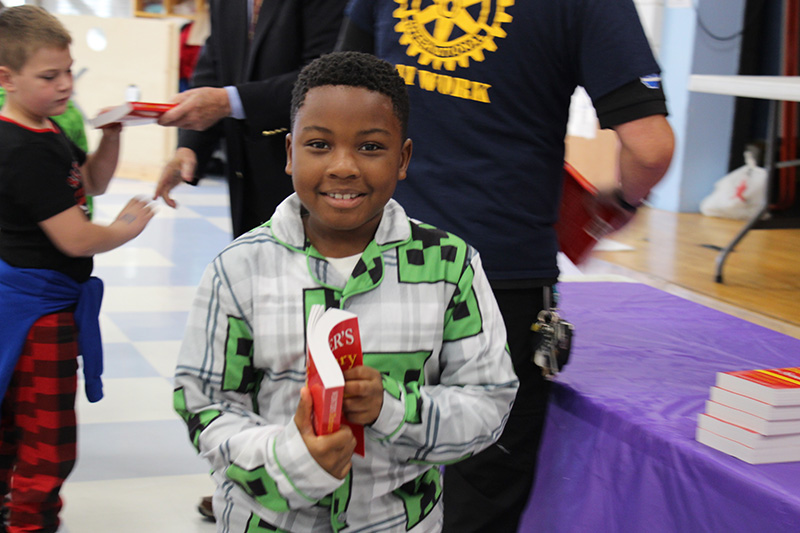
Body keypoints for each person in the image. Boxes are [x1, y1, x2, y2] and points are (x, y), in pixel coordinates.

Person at [336, 1, 676, 531]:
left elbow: (335, 97)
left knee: (367, 472)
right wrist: (619, 203)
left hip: (376, 260)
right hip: (497, 279)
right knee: (478, 495)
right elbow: (650, 148)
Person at [172, 51, 518, 532]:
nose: (343, 167)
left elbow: (489, 401)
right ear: (290, 152)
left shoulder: (450, 267)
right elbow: (206, 406)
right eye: (318, 145)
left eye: (371, 147)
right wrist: (293, 458)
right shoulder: (240, 268)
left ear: (404, 158)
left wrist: (392, 409)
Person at [0, 6, 154, 532]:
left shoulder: (43, 127)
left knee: (15, 420)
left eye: (68, 70)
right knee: (46, 437)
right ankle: (29, 522)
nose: (66, 84)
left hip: (40, 304)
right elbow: (76, 237)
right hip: (33, 312)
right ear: (7, 78)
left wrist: (113, 133)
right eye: (50, 76)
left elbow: (90, 184)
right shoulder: (20, 147)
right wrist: (126, 230)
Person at [154, 0, 349, 239]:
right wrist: (189, 147)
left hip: (306, 169)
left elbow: (326, 76)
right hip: (243, 172)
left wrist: (230, 101)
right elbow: (215, 65)